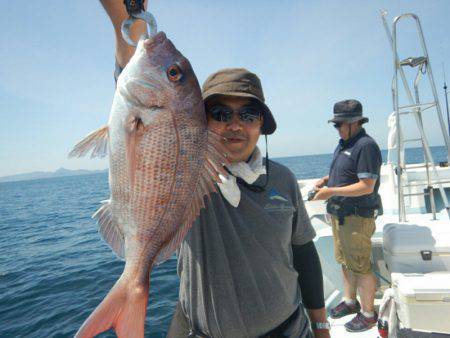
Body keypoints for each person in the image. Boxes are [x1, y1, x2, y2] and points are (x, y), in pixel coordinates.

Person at [100, 1, 330, 337]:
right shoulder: (191, 176)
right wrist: (125, 19)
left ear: (262, 124)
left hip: (290, 329)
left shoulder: (283, 178)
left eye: (248, 114)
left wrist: (321, 325)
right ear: (201, 121)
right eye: (221, 114)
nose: (235, 125)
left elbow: (304, 253)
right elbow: (131, 78)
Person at [313, 99, 382, 333]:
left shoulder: (366, 145)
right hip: (339, 215)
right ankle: (351, 301)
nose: (338, 128)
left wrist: (330, 191)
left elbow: (366, 185)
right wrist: (326, 180)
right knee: (344, 261)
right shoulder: (343, 144)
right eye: (335, 125)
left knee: (361, 266)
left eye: (340, 124)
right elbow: (345, 173)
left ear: (354, 122)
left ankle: (368, 314)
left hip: (356, 218)